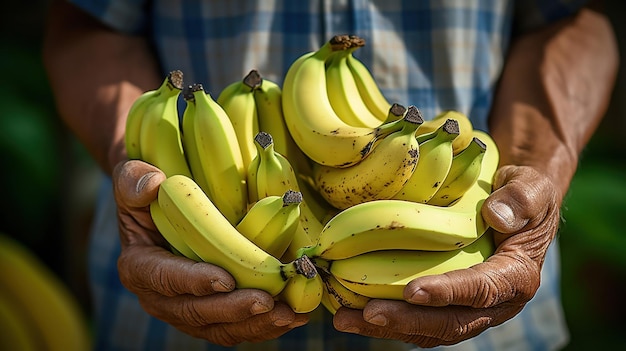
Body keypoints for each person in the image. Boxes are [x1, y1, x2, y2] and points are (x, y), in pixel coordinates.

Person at [42, 0, 618, 350]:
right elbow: (88, 20)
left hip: (480, 314)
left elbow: (575, 21)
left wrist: (538, 172)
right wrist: (139, 164)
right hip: (176, 306)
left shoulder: (422, 151)